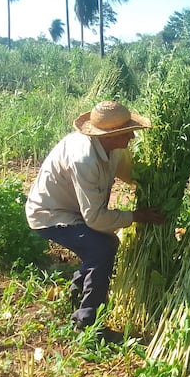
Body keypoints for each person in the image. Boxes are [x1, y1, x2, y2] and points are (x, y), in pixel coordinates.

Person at [26, 100, 166, 333]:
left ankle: (76, 294)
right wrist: (137, 216)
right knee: (100, 249)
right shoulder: (84, 159)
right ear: (111, 135)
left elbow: (131, 173)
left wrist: (153, 183)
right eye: (128, 132)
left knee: (107, 242)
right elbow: (95, 219)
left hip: (74, 211)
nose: (132, 137)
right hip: (50, 215)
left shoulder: (112, 148)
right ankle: (88, 323)